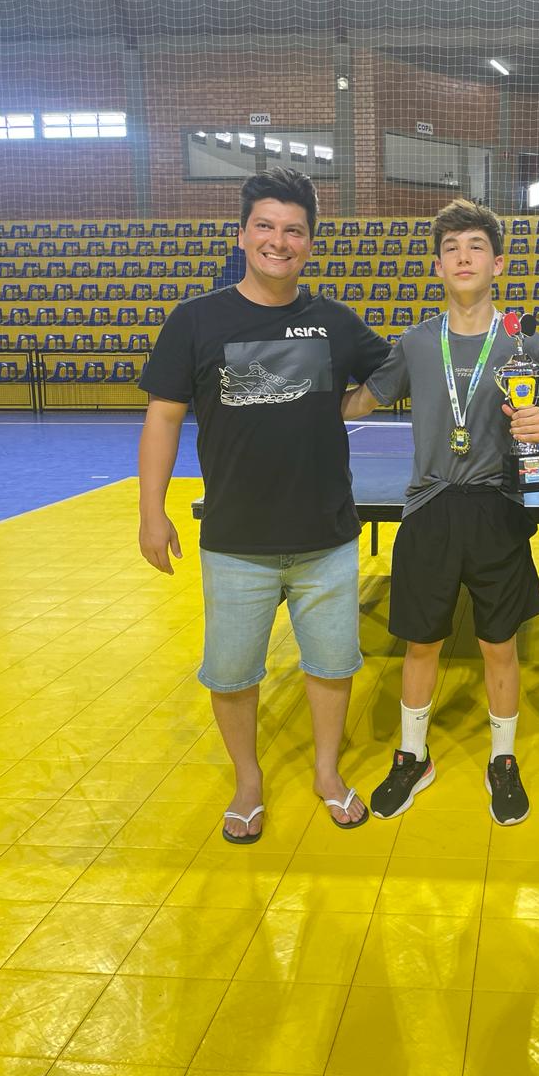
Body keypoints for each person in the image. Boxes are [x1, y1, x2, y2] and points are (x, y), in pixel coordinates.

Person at [137, 167, 390, 842]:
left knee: (332, 665)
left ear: (310, 242)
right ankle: (248, 780)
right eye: (266, 227)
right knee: (231, 673)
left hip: (326, 536)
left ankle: (327, 772)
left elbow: (390, 374)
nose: (280, 241)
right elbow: (163, 417)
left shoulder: (334, 321)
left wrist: (353, 403)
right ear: (243, 234)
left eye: (294, 230)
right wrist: (151, 511)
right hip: (235, 539)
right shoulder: (196, 320)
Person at [342, 199, 539, 826]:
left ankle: (502, 759)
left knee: (499, 644)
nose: (463, 257)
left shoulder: (525, 343)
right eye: (451, 248)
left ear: (498, 263)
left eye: (476, 246)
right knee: (421, 643)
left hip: (498, 508)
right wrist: (300, 402)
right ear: (437, 266)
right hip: (431, 507)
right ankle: (413, 756)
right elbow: (363, 400)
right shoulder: (417, 343)